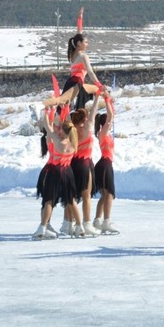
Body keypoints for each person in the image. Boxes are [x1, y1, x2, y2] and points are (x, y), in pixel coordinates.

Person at [33, 107, 83, 238]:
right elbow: (64, 125)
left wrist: (50, 110)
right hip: (68, 172)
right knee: (71, 200)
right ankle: (79, 226)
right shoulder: (73, 143)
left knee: (49, 200)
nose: (58, 128)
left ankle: (42, 227)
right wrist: (65, 108)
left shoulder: (57, 141)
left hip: (55, 171)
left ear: (63, 131)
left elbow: (47, 126)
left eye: (60, 128)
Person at [43, 9, 104, 110]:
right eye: (86, 42)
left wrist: (80, 18)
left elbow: (78, 34)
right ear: (79, 43)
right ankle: (42, 106)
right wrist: (99, 84)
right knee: (62, 101)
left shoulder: (73, 54)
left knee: (65, 104)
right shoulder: (83, 56)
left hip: (73, 82)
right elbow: (91, 72)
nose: (87, 44)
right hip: (76, 83)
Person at [70, 103, 102, 236]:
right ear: (84, 118)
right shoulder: (87, 128)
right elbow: (94, 112)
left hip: (73, 163)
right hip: (84, 163)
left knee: (71, 196)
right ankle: (87, 222)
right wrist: (96, 98)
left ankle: (68, 222)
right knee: (86, 196)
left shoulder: (71, 130)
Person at [92, 92, 119, 233]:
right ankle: (107, 221)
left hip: (105, 164)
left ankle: (97, 220)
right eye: (109, 123)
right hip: (104, 164)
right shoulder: (102, 133)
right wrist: (107, 99)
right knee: (109, 194)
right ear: (105, 124)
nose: (111, 124)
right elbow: (111, 116)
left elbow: (111, 116)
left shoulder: (104, 134)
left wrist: (111, 103)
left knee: (105, 195)